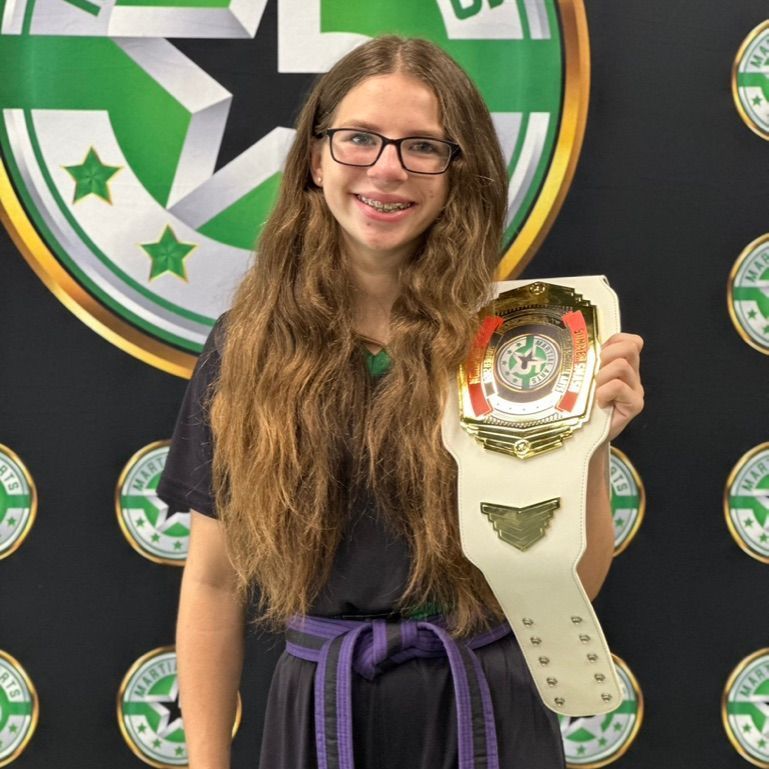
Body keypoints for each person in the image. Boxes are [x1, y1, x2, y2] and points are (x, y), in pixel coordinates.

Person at [157, 35, 644, 769]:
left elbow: (567, 588)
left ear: (458, 173)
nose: (386, 169)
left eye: (422, 147)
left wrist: (590, 446)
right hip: (321, 713)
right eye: (358, 139)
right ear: (315, 159)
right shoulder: (245, 346)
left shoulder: (520, 341)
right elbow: (214, 580)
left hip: (485, 706)